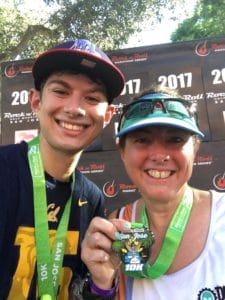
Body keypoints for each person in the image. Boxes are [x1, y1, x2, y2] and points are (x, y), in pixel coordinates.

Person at [0, 39, 125, 300]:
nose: (74, 108)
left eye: (92, 97)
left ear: (107, 115)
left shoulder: (91, 198)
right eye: (61, 91)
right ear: (35, 101)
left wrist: (102, 284)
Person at [81, 86, 225, 300]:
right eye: (142, 140)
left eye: (175, 139)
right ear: (122, 151)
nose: (159, 155)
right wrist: (102, 285)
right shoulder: (115, 228)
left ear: (195, 148)